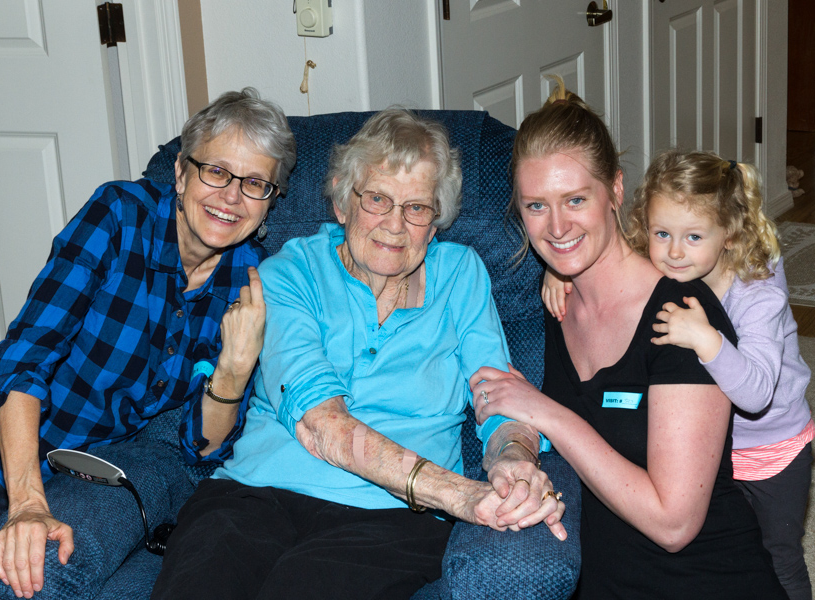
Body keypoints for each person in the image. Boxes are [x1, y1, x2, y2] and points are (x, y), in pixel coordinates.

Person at [152, 109, 567, 600]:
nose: (395, 225)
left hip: (393, 522)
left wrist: (513, 460)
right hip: (251, 497)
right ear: (342, 202)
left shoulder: (462, 274)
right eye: (377, 199)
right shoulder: (291, 272)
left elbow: (499, 398)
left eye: (417, 208)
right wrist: (462, 495)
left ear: (435, 223)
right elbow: (321, 425)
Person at [0, 87, 296, 599]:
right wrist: (27, 502)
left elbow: (200, 446)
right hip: (16, 459)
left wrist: (234, 369)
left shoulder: (247, 283)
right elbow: (23, 360)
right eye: (217, 171)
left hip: (105, 470)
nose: (231, 197)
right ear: (182, 172)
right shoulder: (119, 216)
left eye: (255, 183)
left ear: (271, 201)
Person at [472, 80, 787, 599]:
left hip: (705, 580)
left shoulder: (681, 316)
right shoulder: (544, 304)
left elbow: (674, 523)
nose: (556, 227)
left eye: (575, 199)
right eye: (535, 206)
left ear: (615, 191)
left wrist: (546, 412)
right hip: (600, 580)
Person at [542, 150, 814, 599]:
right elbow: (609, 262)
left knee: (779, 558)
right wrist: (557, 272)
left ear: (728, 233)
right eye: (661, 233)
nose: (672, 251)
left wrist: (707, 340)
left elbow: (757, 394)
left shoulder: (758, 294)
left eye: (693, 237)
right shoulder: (673, 271)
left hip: (769, 451)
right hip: (714, 457)